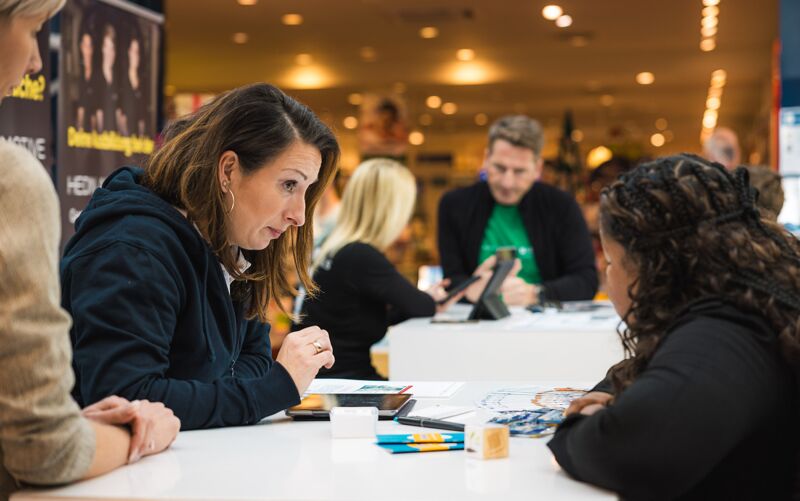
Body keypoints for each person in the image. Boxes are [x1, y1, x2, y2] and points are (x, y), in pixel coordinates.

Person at [63, 83, 340, 430]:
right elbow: (125, 399)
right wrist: (274, 388)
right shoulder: (132, 250)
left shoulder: (233, 244)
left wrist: (233, 392)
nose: (299, 215)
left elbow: (250, 357)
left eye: (306, 190)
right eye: (288, 185)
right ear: (228, 172)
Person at [0, 1, 179, 498]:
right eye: (34, 30)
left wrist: (73, 425)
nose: (37, 62)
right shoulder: (10, 182)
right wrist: (137, 435)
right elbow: (44, 451)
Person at [548, 154, 800, 499]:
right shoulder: (749, 300)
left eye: (610, 261)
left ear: (650, 269)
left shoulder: (723, 336)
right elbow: (655, 367)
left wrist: (585, 419)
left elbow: (622, 452)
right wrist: (612, 391)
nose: (607, 276)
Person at [297, 158, 457, 380]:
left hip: (329, 380)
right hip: (344, 384)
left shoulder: (338, 248)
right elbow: (423, 306)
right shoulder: (362, 256)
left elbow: (360, 316)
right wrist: (431, 299)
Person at [437, 115, 597, 306]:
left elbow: (586, 281)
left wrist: (536, 294)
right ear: (486, 159)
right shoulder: (454, 205)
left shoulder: (561, 205)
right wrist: (470, 290)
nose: (507, 182)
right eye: (499, 168)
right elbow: (452, 279)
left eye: (519, 171)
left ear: (537, 168)